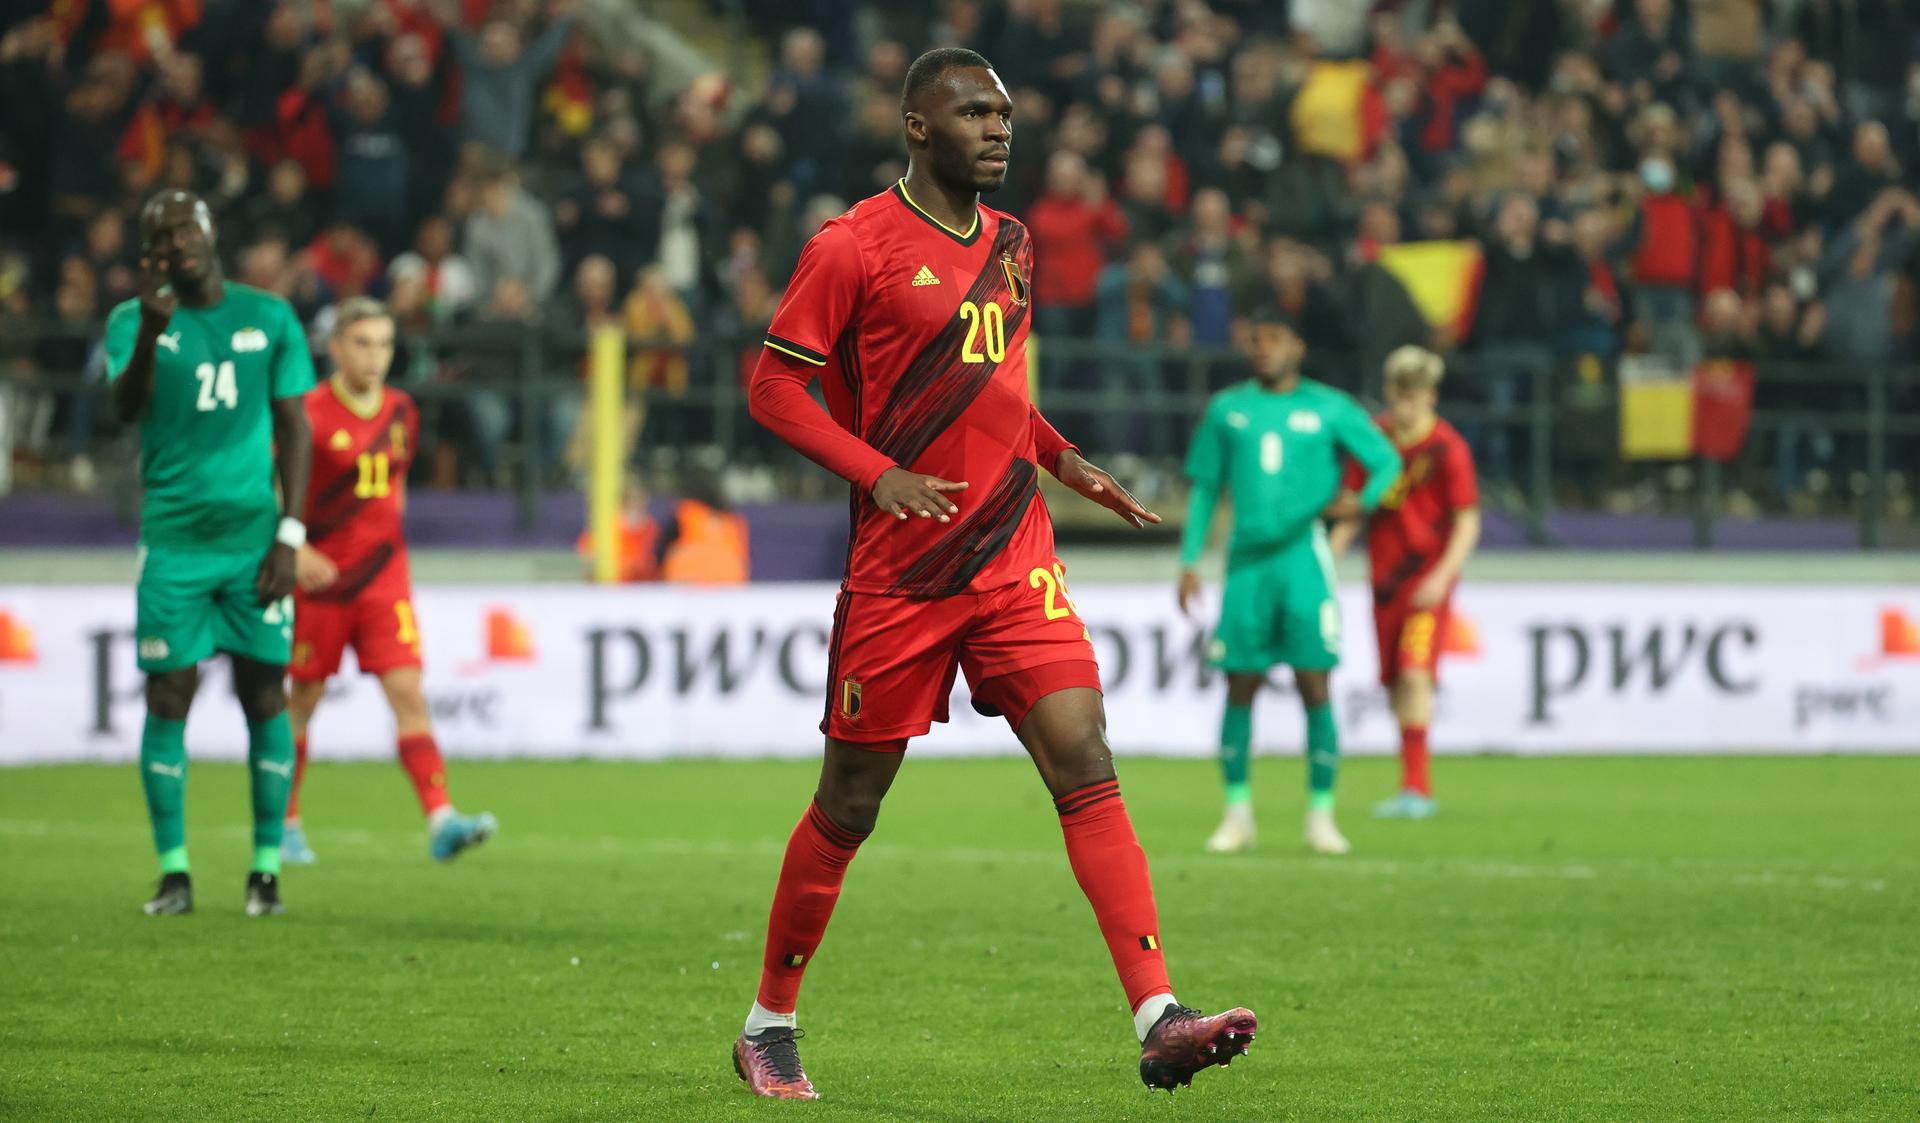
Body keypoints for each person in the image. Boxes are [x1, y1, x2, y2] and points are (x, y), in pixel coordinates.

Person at [736, 48, 1257, 1100]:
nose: (999, 128)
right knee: (850, 801)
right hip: (905, 572)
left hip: (1015, 551)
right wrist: (878, 475)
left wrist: (1063, 458)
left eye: (1006, 112)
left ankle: (1159, 1015)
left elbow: (993, 389)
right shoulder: (852, 245)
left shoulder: (1014, 244)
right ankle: (768, 1021)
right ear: (917, 126)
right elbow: (773, 390)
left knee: (1084, 749)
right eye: (974, 111)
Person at [104, 189, 315, 918]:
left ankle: (265, 872)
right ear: (148, 253)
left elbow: (295, 431)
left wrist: (291, 534)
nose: (176, 241)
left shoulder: (269, 315)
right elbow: (122, 412)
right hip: (173, 547)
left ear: (211, 232)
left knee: (265, 695)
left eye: (185, 227)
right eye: (159, 233)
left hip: (255, 545)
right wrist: (150, 334)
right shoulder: (132, 321)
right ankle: (174, 873)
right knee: (170, 697)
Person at [1178, 304, 1401, 857]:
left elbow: (1386, 461)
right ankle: (1237, 814)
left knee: (1314, 686)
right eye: (1256, 339)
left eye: (1274, 339)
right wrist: (1189, 561)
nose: (1263, 349)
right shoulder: (1228, 409)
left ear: (1297, 347)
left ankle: (1320, 817)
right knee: (1239, 686)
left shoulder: (1328, 407)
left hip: (1304, 559)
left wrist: (1362, 502)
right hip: (1247, 566)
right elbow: (1206, 488)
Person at [281, 298, 498, 865]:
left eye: (383, 343)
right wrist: (296, 548)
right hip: (322, 581)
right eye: (362, 343)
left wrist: (387, 548)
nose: (374, 355)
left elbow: (393, 489)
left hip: (383, 582)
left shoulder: (402, 410)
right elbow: (271, 489)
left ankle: (442, 819)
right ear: (335, 347)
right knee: (304, 698)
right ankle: (285, 821)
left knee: (408, 694)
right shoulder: (306, 413)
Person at [1330, 347, 1480, 820]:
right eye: (1399, 395)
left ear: (1430, 396)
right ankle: (1409, 786)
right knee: (1396, 683)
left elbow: (1467, 521)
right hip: (1385, 582)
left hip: (1426, 582)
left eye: (1414, 396)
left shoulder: (1447, 449)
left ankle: (1419, 788)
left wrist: (1443, 575)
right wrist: (1327, 561)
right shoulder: (1374, 440)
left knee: (1415, 673)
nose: (1405, 406)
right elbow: (1354, 510)